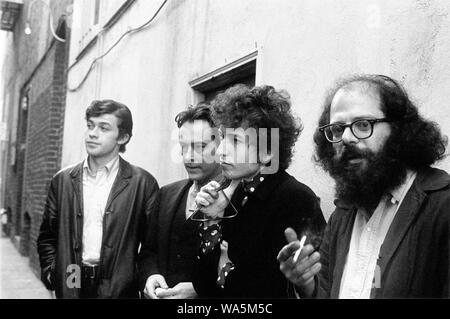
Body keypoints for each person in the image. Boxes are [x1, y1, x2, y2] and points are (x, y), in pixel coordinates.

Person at [278, 74, 450, 298]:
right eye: (338, 129)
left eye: (362, 124)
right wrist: (307, 283)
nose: (347, 138)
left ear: (399, 129)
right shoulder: (341, 216)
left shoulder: (442, 206)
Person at [192, 84, 326, 298]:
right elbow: (204, 287)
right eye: (222, 137)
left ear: (266, 153)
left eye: (235, 140)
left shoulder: (295, 199)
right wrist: (212, 220)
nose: (220, 151)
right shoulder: (233, 195)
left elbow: (316, 287)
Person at [37, 100, 159, 298]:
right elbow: (48, 236)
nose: (92, 133)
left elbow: (152, 245)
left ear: (123, 137)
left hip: (118, 286)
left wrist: (134, 278)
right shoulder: (63, 180)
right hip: (72, 276)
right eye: (90, 125)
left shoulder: (142, 183)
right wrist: (52, 273)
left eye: (103, 128)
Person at [138, 103, 221, 299]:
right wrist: (150, 276)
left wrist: (202, 290)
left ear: (221, 145)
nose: (189, 156)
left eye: (200, 146)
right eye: (184, 147)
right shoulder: (167, 194)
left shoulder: (237, 202)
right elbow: (148, 252)